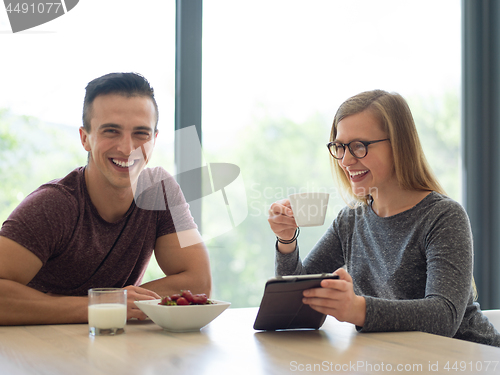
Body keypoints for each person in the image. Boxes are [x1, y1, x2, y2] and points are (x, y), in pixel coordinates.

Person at [267, 89, 500, 346]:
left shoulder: (443, 217)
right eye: (340, 146)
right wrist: (286, 240)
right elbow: (294, 299)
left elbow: (443, 317)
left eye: (359, 146)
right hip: (399, 360)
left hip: (470, 360)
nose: (345, 160)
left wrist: (358, 309)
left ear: (399, 145)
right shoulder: (350, 220)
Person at [0, 72, 211, 325]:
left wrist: (116, 303)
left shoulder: (161, 190)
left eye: (141, 134)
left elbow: (198, 282)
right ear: (85, 138)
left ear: (154, 139)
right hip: (39, 350)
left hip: (111, 348)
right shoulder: (52, 205)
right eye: (111, 131)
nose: (127, 148)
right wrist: (107, 304)